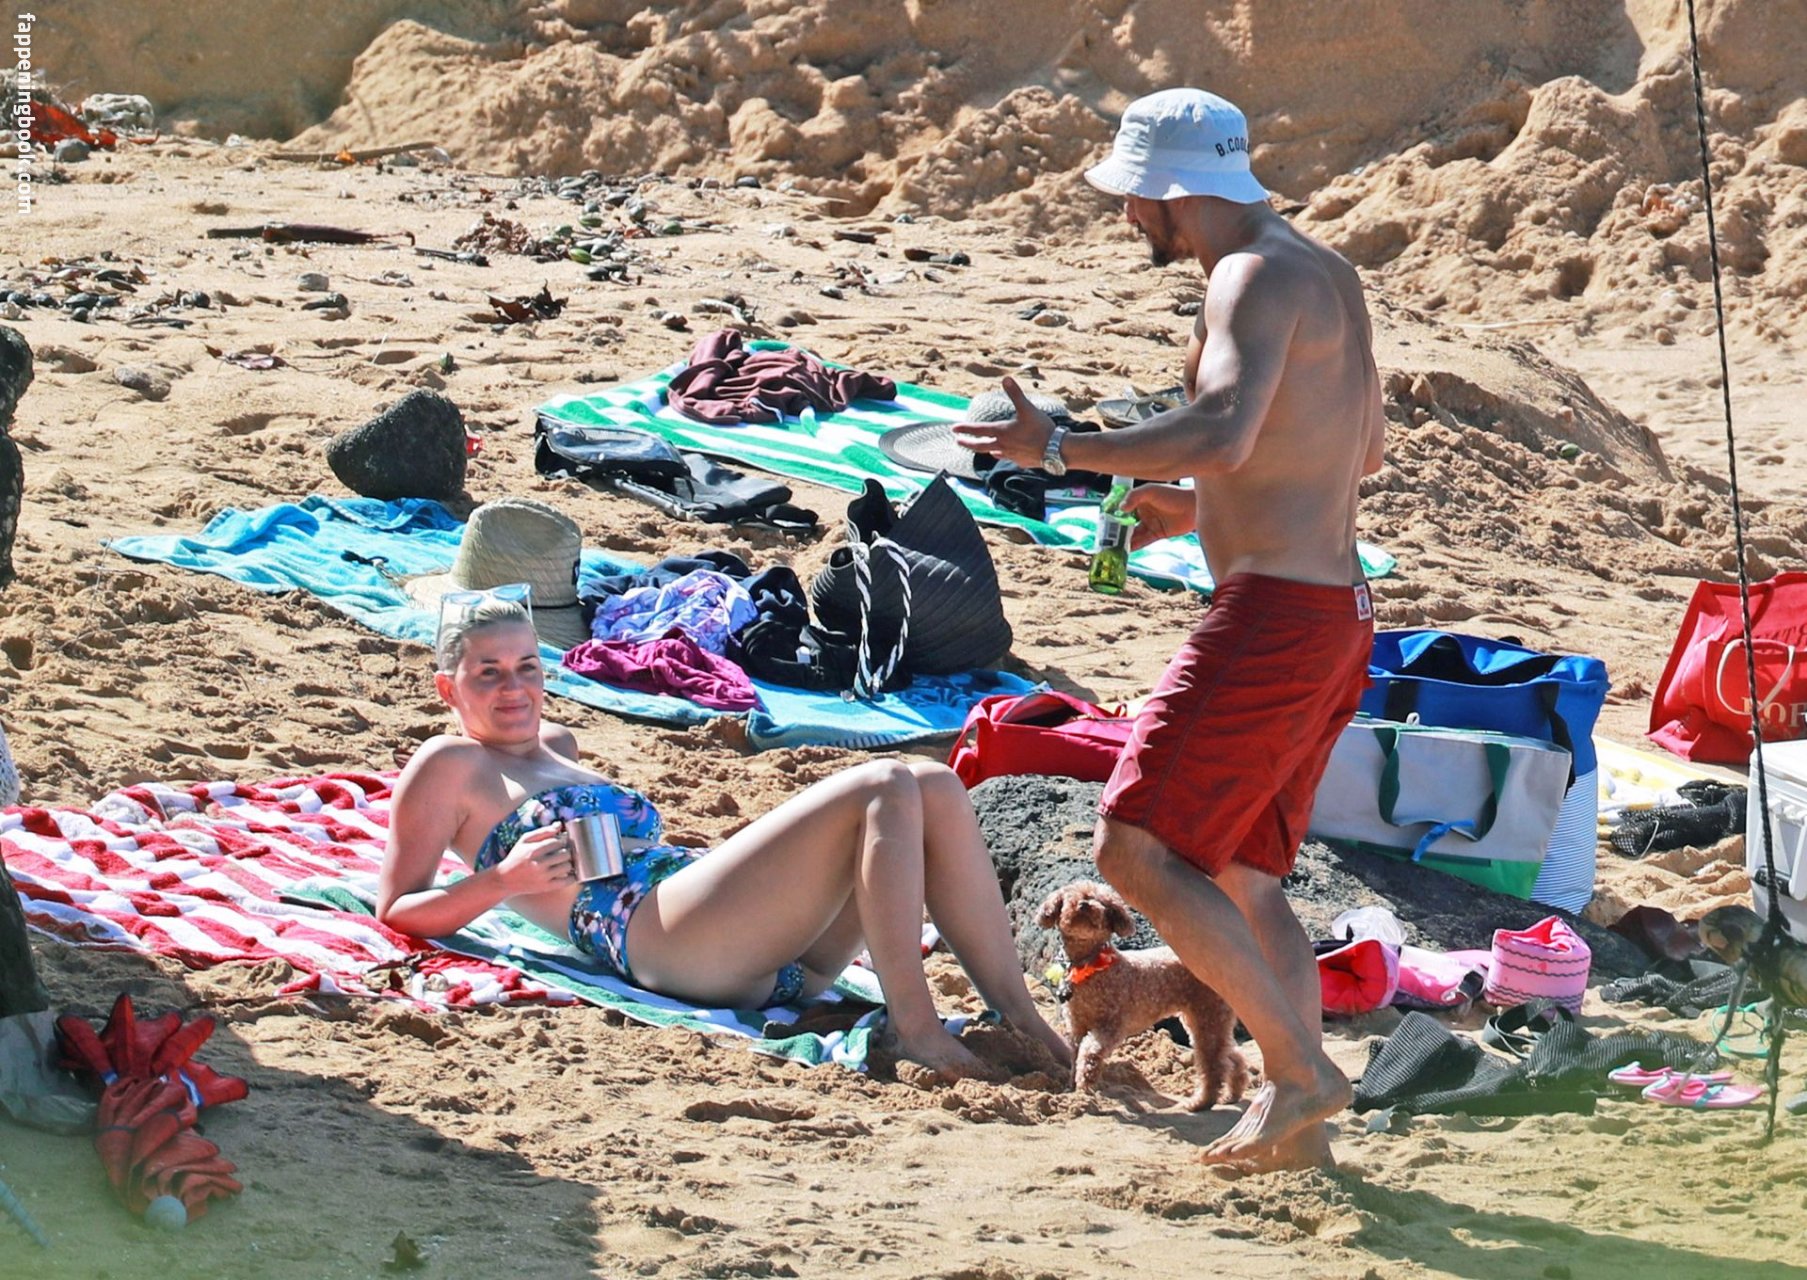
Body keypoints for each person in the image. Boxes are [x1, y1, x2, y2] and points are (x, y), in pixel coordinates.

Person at [954, 87, 1386, 1170]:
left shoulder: (1245, 277)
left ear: (1172, 190)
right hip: (1335, 611)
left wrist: (1059, 448)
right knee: (1242, 873)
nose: (1127, 215)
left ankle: (1298, 1070)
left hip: (1273, 617)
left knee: (1133, 847)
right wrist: (1196, 510)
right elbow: (1354, 450)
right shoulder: (1320, 269)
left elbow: (1225, 427)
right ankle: (1300, 1138)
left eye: (1134, 196)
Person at [376, 593, 1071, 1081]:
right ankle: (916, 1027)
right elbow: (398, 909)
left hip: (759, 949)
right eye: (488, 673)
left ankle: (1022, 1018)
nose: (514, 688)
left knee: (933, 783)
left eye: (526, 666)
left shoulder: (558, 744)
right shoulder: (449, 763)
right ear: (447, 689)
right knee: (886, 781)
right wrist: (501, 882)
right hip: (663, 940)